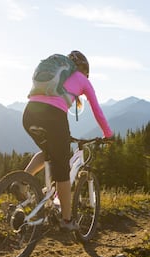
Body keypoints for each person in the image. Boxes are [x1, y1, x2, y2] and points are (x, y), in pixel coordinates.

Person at [19, 50, 113, 231]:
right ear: (85, 70)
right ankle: (67, 220)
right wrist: (108, 134)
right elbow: (97, 111)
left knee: (49, 153)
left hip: (29, 114)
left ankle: (21, 183)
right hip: (53, 118)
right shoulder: (83, 79)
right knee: (62, 169)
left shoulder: (58, 74)